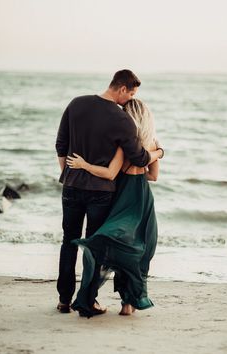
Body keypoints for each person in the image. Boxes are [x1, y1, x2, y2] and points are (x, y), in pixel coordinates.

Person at [55, 69, 159, 315]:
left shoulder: (76, 103)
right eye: (131, 92)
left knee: (68, 241)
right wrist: (161, 152)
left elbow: (61, 144)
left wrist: (69, 174)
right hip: (100, 192)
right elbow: (140, 157)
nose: (130, 98)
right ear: (122, 89)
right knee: (93, 246)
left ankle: (63, 299)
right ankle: (88, 301)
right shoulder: (122, 119)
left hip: (71, 186)